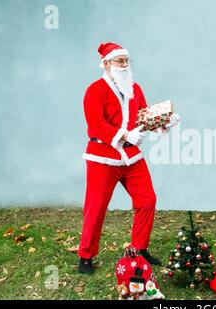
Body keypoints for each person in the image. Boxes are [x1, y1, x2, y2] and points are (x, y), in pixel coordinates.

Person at [77, 42, 179, 274]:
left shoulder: (135, 88)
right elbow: (96, 125)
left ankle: (140, 249)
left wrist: (164, 122)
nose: (124, 65)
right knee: (96, 208)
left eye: (126, 61)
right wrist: (123, 134)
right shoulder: (95, 90)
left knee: (147, 199)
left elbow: (143, 116)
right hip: (102, 157)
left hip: (131, 156)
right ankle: (85, 256)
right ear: (106, 64)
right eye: (119, 61)